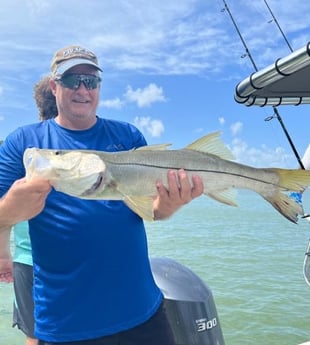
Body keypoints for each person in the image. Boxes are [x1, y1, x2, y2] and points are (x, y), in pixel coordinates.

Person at [0, 45, 204, 345]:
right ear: (54, 86)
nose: (82, 89)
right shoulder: (24, 142)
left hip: (142, 313)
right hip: (64, 324)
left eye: (91, 81)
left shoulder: (128, 136)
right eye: (71, 80)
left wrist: (169, 204)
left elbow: (151, 210)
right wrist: (9, 212)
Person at [0, 76, 57, 345]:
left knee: (34, 336)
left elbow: (5, 209)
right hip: (68, 260)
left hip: (27, 259)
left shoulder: (25, 148)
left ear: (39, 107)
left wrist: (2, 254)